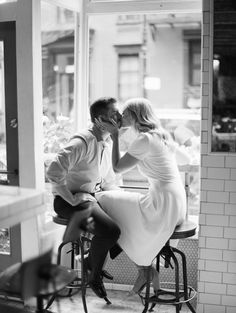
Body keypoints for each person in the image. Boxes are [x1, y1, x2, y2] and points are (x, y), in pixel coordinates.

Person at [94, 98, 190, 294]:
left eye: (125, 114)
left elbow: (118, 167)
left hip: (163, 203)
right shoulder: (161, 135)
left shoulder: (144, 139)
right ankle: (144, 270)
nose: (121, 117)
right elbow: (185, 159)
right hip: (177, 202)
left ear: (136, 116)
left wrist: (114, 136)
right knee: (123, 208)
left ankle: (138, 268)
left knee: (103, 198)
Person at [46, 97, 121, 302]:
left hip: (89, 196)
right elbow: (53, 171)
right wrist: (71, 199)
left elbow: (108, 180)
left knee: (127, 218)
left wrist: (121, 198)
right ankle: (92, 272)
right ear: (99, 120)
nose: (119, 117)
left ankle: (91, 263)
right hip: (68, 202)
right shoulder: (82, 142)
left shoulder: (106, 143)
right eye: (114, 114)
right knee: (111, 231)